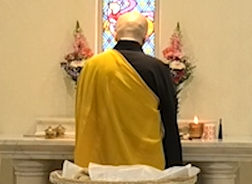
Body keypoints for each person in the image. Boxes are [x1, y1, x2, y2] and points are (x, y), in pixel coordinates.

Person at [74, 11, 183, 169]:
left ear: (115, 35)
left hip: (100, 167)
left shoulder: (92, 66)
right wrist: (175, 166)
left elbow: (84, 114)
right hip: (145, 168)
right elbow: (169, 122)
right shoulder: (157, 69)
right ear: (145, 38)